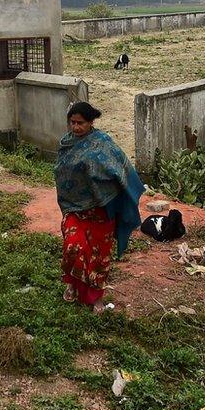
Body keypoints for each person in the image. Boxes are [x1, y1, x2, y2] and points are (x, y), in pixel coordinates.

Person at [54, 101, 143, 312]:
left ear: (91, 122)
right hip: (75, 209)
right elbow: (61, 172)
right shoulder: (66, 143)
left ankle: (96, 298)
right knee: (73, 247)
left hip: (101, 212)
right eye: (72, 123)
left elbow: (119, 166)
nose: (75, 127)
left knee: (98, 258)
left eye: (80, 123)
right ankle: (72, 284)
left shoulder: (102, 142)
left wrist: (112, 189)